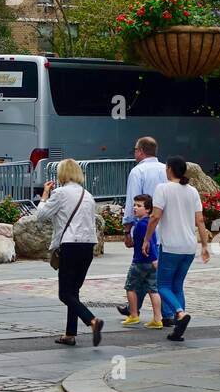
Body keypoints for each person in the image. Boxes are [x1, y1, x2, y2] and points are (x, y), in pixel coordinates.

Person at [142, 155, 210, 342]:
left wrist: (147, 239)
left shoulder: (162, 189)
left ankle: (179, 313)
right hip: (189, 246)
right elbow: (200, 220)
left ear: (170, 169)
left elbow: (155, 217)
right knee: (177, 285)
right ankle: (178, 328)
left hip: (170, 245)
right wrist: (204, 245)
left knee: (162, 285)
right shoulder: (192, 191)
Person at [39, 158, 103, 348]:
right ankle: (69, 334)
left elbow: (41, 215)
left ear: (62, 174)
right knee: (73, 291)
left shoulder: (59, 193)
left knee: (65, 294)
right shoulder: (88, 195)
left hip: (70, 244)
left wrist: (44, 195)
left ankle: (92, 321)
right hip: (88, 245)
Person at [118, 137, 167, 314]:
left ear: (140, 151)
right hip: (164, 228)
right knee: (156, 272)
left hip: (144, 228)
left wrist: (127, 229)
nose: (134, 153)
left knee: (138, 268)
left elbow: (133, 201)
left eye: (135, 150)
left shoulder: (138, 171)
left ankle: (134, 308)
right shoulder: (165, 169)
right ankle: (161, 311)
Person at [120, 194, 163, 329]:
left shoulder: (141, 225)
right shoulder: (148, 223)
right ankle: (157, 318)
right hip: (151, 262)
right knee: (153, 289)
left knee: (130, 287)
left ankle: (133, 314)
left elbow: (149, 242)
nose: (135, 208)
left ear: (148, 209)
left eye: (139, 206)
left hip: (140, 261)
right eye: (134, 205)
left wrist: (154, 258)